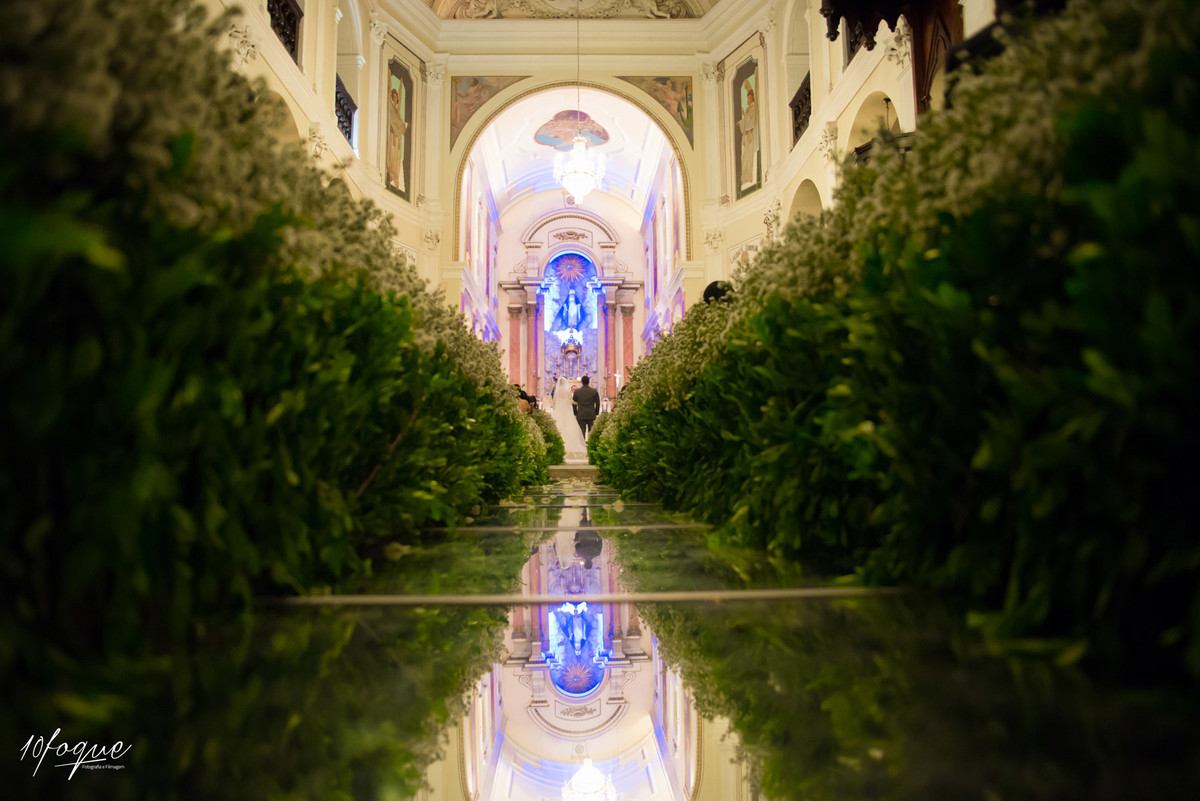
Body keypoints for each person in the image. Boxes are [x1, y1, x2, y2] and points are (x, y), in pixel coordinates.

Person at [572, 375, 601, 441]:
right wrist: (596, 412)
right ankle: (591, 446)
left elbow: (574, 402)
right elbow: (598, 403)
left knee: (581, 432)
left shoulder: (577, 391)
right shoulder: (594, 391)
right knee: (591, 432)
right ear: (589, 382)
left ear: (581, 382)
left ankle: (582, 446)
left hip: (581, 413)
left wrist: (575, 412)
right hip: (591, 413)